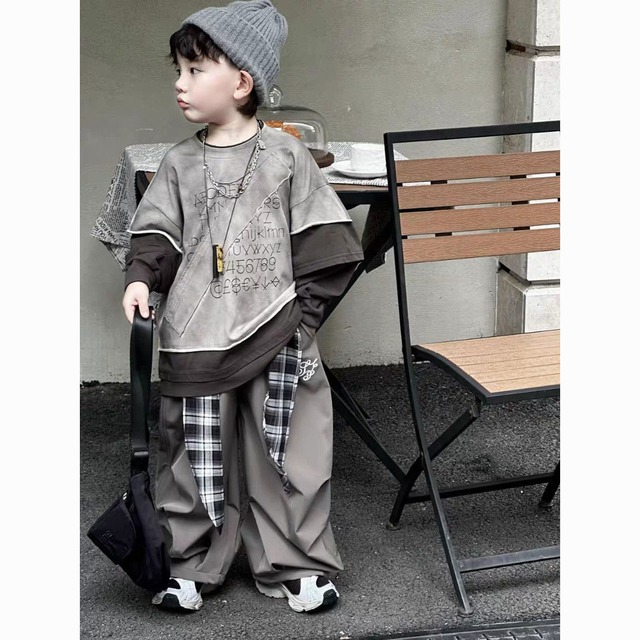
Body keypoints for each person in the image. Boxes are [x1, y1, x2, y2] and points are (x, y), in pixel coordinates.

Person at [121, 0, 364, 614]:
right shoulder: (178, 163)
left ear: (241, 82)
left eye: (195, 69)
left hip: (275, 329)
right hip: (196, 334)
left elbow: (327, 245)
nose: (180, 83)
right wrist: (142, 278)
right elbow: (156, 234)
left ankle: (297, 563)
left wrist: (302, 321)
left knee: (289, 451)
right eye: (178, 70)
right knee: (190, 455)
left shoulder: (286, 157)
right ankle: (185, 562)